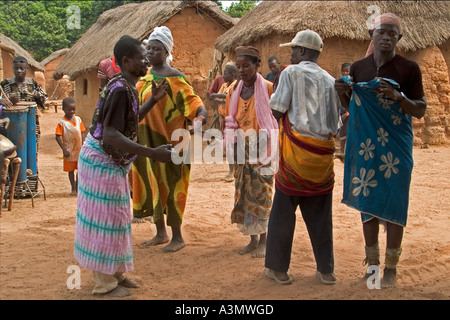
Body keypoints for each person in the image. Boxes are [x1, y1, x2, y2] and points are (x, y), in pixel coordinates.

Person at [73, 35, 172, 298]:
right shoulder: (119, 89)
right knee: (104, 220)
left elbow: (127, 121)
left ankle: (115, 274)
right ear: (126, 61)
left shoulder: (127, 86)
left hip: (109, 161)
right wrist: (152, 152)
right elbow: (111, 134)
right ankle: (104, 284)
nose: (146, 61)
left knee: (117, 219)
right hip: (101, 161)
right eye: (141, 58)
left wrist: (154, 100)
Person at [334, 13, 426, 288]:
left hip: (396, 149)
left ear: (399, 38)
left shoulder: (409, 69)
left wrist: (399, 97)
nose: (386, 37)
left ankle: (391, 269)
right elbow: (352, 106)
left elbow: (420, 109)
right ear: (372, 35)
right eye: (381, 33)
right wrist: (341, 92)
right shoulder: (359, 68)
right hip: (365, 146)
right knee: (369, 206)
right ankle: (372, 267)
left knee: (395, 205)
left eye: (391, 34)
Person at [265, 30, 341, 285]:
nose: (290, 53)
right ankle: (326, 270)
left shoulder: (290, 73)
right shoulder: (331, 80)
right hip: (321, 159)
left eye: (293, 49)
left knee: (283, 213)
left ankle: (278, 269)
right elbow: (336, 124)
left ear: (302, 52)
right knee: (321, 215)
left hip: (295, 157)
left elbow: (276, 110)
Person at [132, 26, 208, 252]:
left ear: (166, 53)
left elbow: (196, 104)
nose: (151, 52)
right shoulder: (144, 79)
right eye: (149, 48)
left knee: (174, 186)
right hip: (147, 143)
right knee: (153, 184)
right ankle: (160, 233)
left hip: (173, 144)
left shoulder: (176, 80)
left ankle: (177, 237)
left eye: (157, 49)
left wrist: (200, 118)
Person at [223, 46, 278, 258]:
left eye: (246, 65)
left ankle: (264, 240)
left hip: (263, 146)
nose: (242, 70)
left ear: (257, 65)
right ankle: (252, 239)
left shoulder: (269, 89)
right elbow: (230, 120)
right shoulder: (233, 91)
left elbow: (276, 118)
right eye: (239, 66)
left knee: (262, 192)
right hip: (241, 148)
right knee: (243, 192)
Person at [1, 56, 47, 169]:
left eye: (22, 68)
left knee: (31, 152)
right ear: (13, 68)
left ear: (26, 68)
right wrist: (4, 100)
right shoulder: (5, 84)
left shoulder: (32, 83)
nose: (19, 71)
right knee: (12, 152)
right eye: (16, 68)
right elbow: (1, 99)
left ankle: (31, 181)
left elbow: (44, 100)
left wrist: (37, 95)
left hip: (31, 124)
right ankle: (13, 181)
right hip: (11, 125)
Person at [209, 62, 239, 182]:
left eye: (225, 73)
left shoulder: (236, 85)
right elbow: (224, 100)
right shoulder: (225, 85)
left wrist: (218, 97)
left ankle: (233, 171)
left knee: (233, 147)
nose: (223, 76)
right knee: (229, 147)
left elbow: (228, 99)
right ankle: (232, 171)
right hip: (225, 118)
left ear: (231, 74)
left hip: (234, 121)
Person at [55, 97, 86, 195]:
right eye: (69, 109)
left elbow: (82, 133)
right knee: (71, 171)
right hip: (69, 151)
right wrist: (64, 149)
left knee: (80, 170)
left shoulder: (78, 119)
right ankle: (73, 188)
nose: (72, 111)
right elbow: (57, 137)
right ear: (63, 109)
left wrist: (84, 145)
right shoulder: (62, 123)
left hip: (79, 150)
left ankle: (77, 187)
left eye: (73, 109)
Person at [335, 62, 352, 161]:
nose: (346, 73)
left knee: (346, 130)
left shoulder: (352, 85)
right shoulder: (339, 83)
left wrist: (347, 114)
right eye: (344, 71)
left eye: (348, 71)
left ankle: (344, 150)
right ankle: (341, 149)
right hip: (341, 111)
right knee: (340, 130)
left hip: (349, 113)